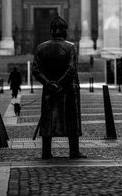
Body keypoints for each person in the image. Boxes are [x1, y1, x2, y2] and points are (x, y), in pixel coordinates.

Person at [32, 15, 86, 159]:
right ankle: (74, 151)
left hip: (49, 90)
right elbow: (71, 69)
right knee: (71, 119)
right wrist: (59, 83)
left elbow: (36, 70)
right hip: (68, 89)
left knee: (48, 119)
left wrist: (49, 84)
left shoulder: (41, 47)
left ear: (51, 31)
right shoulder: (71, 47)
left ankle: (46, 152)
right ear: (65, 31)